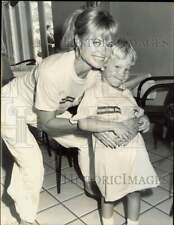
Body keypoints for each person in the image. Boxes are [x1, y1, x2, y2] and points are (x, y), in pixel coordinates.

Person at [71, 39, 160, 225]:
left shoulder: (126, 92)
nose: (122, 74)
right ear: (103, 65)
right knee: (109, 196)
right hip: (109, 157)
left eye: (127, 69)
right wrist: (112, 126)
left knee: (135, 190)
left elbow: (138, 114)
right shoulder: (94, 92)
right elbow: (83, 122)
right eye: (117, 67)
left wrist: (145, 121)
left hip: (135, 154)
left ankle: (132, 223)